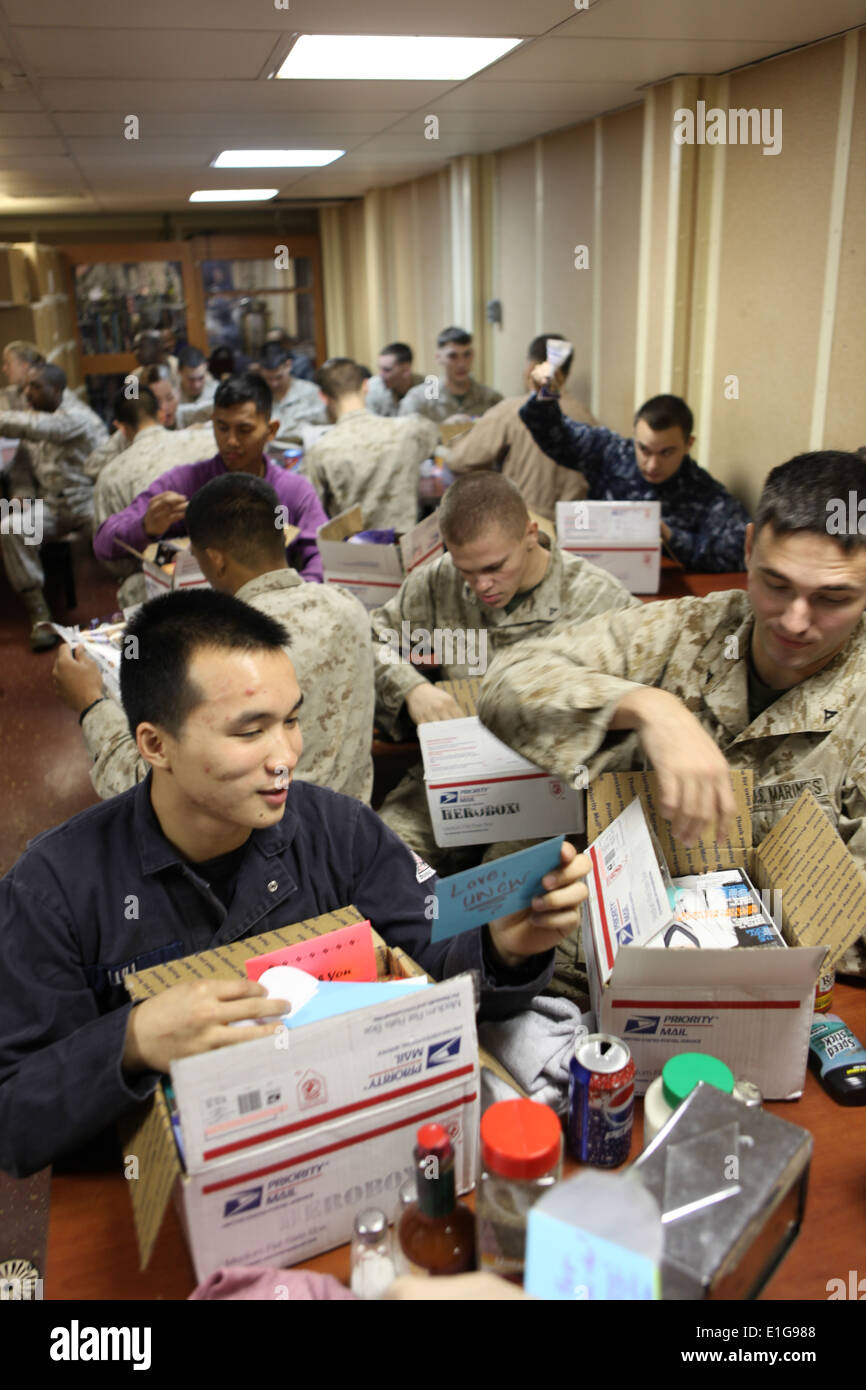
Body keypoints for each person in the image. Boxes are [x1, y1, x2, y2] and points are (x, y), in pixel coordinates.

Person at [0, 587, 589, 1177]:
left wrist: (502, 948)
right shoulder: (54, 890)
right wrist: (132, 1041)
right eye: (251, 732)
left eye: (292, 720)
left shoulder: (340, 830)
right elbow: (16, 1114)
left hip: (335, 1154)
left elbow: (430, 951)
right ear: (156, 744)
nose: (286, 756)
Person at [477, 449, 866, 980]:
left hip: (758, 996)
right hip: (576, 962)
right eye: (776, 584)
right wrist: (649, 707)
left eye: (832, 598)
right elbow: (507, 681)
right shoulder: (687, 629)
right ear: (749, 548)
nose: (796, 621)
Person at [372, 471, 639, 866]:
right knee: (382, 861)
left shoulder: (598, 599)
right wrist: (412, 688)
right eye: (467, 569)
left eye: (496, 567)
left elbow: (643, 703)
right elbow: (372, 641)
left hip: (551, 789)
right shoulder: (437, 581)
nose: (482, 585)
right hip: (457, 781)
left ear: (530, 534)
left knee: (505, 887)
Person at [58, 471, 376, 802]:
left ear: (216, 559)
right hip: (350, 835)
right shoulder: (348, 604)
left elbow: (146, 787)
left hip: (259, 847)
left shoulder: (216, 655)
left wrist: (91, 705)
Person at [92, 372, 327, 583]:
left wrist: (300, 595)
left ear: (271, 430)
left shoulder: (294, 490)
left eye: (244, 430)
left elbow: (321, 556)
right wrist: (145, 526)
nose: (231, 441)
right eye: (222, 427)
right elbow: (103, 543)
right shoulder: (184, 484)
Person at [520, 368, 749, 571]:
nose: (652, 465)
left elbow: (740, 550)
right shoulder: (611, 452)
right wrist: (545, 393)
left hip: (662, 595)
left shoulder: (702, 489)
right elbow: (553, 432)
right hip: (596, 577)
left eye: (666, 452)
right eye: (644, 449)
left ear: (688, 444)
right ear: (634, 435)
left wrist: (669, 536)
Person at [0, 362, 107, 649]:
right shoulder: (34, 419)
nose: (27, 393)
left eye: (35, 387)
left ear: (57, 389)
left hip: (87, 501)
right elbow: (21, 468)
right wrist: (20, 493)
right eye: (27, 387)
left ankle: (134, 603)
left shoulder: (76, 417)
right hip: (50, 508)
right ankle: (39, 615)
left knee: (120, 534)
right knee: (11, 527)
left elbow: (39, 428)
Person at [446, 333, 596, 520]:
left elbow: (460, 460)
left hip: (524, 526)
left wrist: (456, 434)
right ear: (566, 372)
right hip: (574, 526)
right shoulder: (588, 418)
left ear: (533, 368)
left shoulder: (512, 410)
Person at [91, 386, 216, 605]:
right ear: (160, 413)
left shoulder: (112, 474)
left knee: (133, 584)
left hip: (158, 582)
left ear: (120, 428)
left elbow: (112, 556)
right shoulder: (208, 441)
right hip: (224, 564)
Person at [300, 358, 438, 531]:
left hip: (353, 551)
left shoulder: (321, 450)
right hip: (409, 548)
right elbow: (439, 442)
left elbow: (309, 509)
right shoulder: (411, 430)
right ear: (366, 386)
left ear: (323, 397)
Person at [398, 326, 502, 425]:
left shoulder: (490, 399)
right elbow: (405, 437)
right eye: (453, 356)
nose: (462, 363)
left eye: (467, 355)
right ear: (438, 358)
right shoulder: (418, 399)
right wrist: (443, 429)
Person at [259, 343, 327, 445]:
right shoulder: (258, 397)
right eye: (269, 379)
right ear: (261, 371)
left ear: (288, 365)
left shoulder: (310, 392)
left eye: (279, 377)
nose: (274, 384)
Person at [365, 342, 423, 418]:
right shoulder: (371, 389)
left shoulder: (425, 387)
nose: (380, 374)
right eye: (380, 368)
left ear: (406, 370)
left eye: (387, 370)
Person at [175, 345, 217, 427]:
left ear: (206, 368)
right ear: (179, 372)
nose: (196, 385)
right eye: (191, 380)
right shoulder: (172, 398)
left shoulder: (217, 392)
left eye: (201, 378)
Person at [0, 340, 44, 409]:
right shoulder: (12, 392)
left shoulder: (49, 391)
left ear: (24, 365)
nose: (4, 369)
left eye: (8, 364)